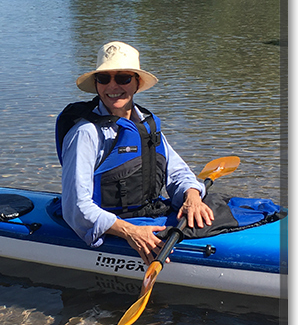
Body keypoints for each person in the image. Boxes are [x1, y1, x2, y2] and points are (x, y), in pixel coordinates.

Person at [56, 41, 215, 265]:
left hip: (146, 214)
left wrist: (192, 197)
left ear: (137, 82)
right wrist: (131, 232)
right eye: (104, 79)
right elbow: (76, 207)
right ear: (96, 83)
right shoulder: (85, 133)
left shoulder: (146, 126)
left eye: (123, 78)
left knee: (217, 207)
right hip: (113, 226)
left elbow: (178, 172)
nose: (113, 86)